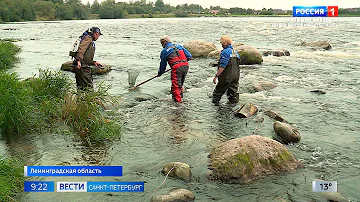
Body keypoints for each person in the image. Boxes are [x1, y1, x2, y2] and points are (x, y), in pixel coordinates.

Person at [158, 36, 192, 103]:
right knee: (180, 84)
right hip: (185, 66)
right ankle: (180, 98)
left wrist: (160, 73)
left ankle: (178, 104)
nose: (162, 45)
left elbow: (163, 65)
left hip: (176, 68)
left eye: (162, 43)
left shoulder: (164, 51)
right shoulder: (179, 46)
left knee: (176, 86)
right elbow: (189, 56)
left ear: (164, 43)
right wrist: (183, 61)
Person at [212, 35, 240, 105]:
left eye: (221, 43)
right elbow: (238, 62)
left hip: (226, 77)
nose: (221, 45)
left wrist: (216, 76)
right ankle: (233, 109)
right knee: (233, 94)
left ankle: (215, 109)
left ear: (224, 43)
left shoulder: (225, 52)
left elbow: (222, 66)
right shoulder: (235, 52)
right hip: (236, 76)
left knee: (217, 93)